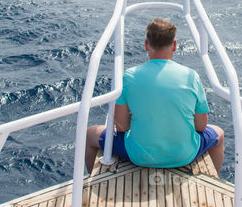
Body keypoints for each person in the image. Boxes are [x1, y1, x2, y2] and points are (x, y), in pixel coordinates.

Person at [85, 18, 225, 173]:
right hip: (184, 155)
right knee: (218, 134)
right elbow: (201, 126)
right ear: (174, 45)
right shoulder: (191, 76)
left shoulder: (129, 76)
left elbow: (121, 127)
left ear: (146, 45)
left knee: (90, 134)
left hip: (139, 156)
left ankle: (89, 181)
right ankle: (213, 177)